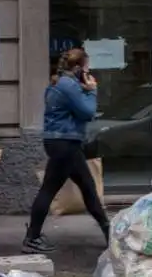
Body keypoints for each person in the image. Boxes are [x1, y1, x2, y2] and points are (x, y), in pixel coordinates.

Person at [23, 48, 111, 254]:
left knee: (87, 187)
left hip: (62, 142)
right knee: (50, 189)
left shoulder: (60, 83)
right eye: (87, 69)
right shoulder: (69, 86)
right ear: (79, 68)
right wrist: (92, 90)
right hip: (65, 143)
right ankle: (31, 238)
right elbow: (88, 112)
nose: (89, 73)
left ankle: (109, 232)